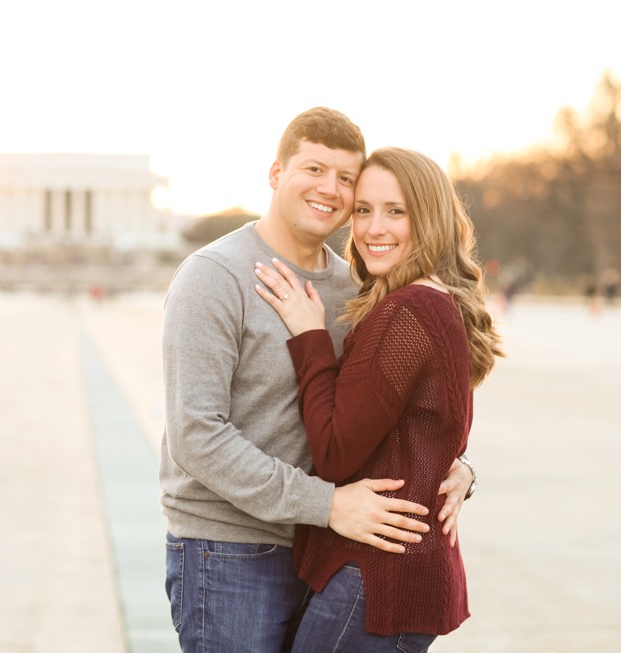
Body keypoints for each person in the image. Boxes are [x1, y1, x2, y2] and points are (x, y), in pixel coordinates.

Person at [159, 108, 476, 652]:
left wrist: (459, 467)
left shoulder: (357, 286)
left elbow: (407, 402)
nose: (330, 189)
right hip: (230, 547)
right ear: (277, 173)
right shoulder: (215, 275)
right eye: (313, 169)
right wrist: (326, 505)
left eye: (346, 178)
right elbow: (196, 434)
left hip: (323, 546)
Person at [253, 146, 503, 651]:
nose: (372, 229)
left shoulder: (405, 313)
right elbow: (433, 428)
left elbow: (335, 450)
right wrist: (463, 468)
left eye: (396, 212)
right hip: (397, 570)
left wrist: (309, 337)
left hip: (375, 576)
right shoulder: (435, 302)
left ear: (428, 218)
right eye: (363, 210)